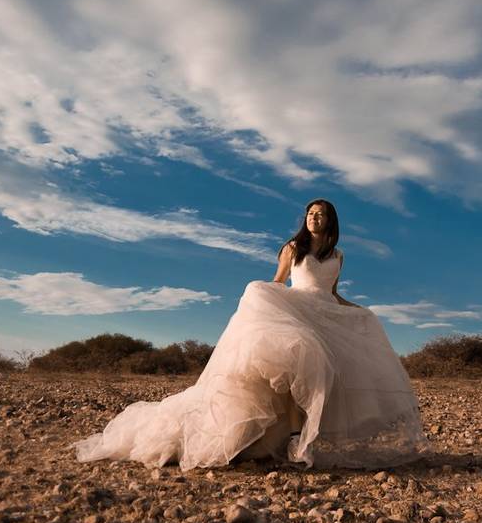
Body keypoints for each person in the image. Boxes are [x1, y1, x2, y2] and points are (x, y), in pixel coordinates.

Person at [71, 198, 433, 471]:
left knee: (326, 374)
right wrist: (260, 294)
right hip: (296, 310)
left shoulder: (339, 255)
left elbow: (333, 294)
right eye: (310, 213)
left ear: (331, 220)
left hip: (325, 313)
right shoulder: (293, 249)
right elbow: (278, 283)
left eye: (320, 213)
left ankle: (307, 439)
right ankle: (290, 437)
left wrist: (359, 311)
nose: (314, 217)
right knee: (301, 363)